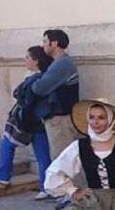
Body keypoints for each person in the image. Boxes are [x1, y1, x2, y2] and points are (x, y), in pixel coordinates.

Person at [0, 46, 53, 200]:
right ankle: (46, 187)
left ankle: (3, 177)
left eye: (27, 57)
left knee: (7, 144)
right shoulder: (43, 77)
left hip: (27, 120)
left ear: (36, 61)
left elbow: (23, 97)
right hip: (38, 121)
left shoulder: (35, 79)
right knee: (42, 155)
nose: (25, 60)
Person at [32, 29, 80, 160]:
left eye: (45, 41)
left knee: (62, 160)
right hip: (61, 116)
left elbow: (39, 88)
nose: (43, 46)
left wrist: (33, 79)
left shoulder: (62, 63)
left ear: (54, 43)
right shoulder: (59, 62)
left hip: (61, 119)